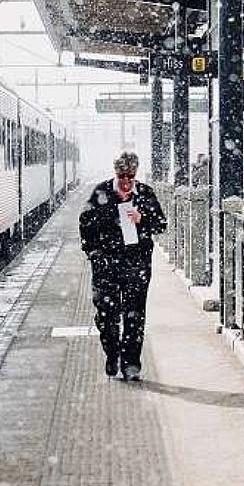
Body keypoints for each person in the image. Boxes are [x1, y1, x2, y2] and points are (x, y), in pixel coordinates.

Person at [78, 151, 167, 381]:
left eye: (131, 176)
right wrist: (94, 253)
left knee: (134, 318)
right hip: (106, 266)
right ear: (115, 173)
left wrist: (143, 217)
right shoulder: (101, 193)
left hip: (136, 266)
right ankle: (112, 352)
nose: (126, 182)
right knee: (106, 316)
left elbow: (161, 224)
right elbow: (85, 225)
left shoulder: (145, 194)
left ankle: (131, 365)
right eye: (122, 176)